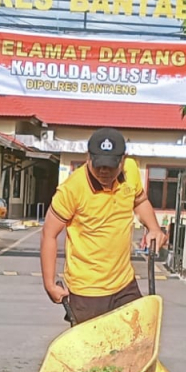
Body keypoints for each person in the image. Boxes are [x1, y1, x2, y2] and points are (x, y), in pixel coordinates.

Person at [41, 127, 168, 325]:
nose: (104, 172)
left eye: (111, 166)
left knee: (135, 342)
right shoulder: (72, 189)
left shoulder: (130, 170)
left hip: (125, 284)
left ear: (123, 160)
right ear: (88, 158)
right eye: (99, 165)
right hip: (88, 291)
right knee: (94, 352)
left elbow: (140, 200)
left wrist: (154, 228)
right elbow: (49, 234)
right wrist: (49, 284)